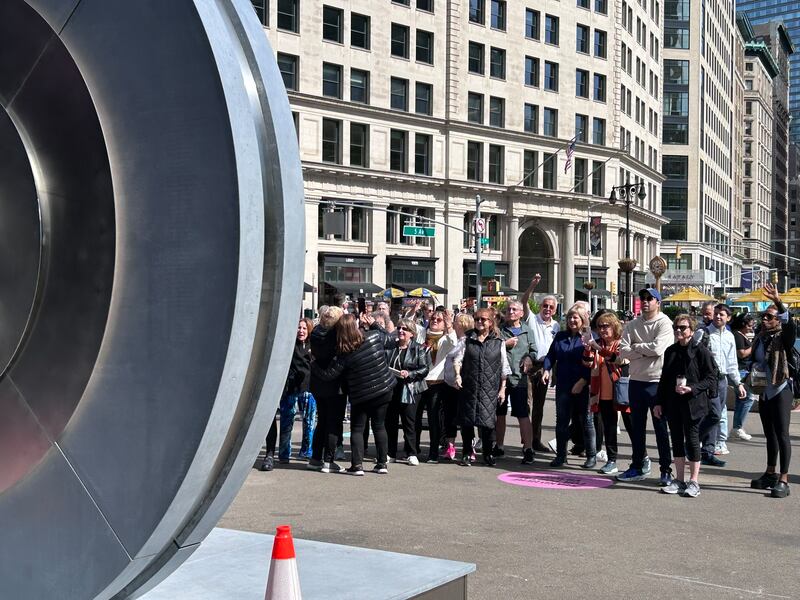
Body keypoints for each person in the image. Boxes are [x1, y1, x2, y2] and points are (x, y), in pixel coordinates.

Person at [312, 314, 396, 475]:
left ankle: (357, 466)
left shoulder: (344, 352)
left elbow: (329, 374)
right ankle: (382, 464)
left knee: (357, 429)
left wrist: (314, 364)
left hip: (361, 394)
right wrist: (375, 325)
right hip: (384, 389)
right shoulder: (374, 336)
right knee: (379, 426)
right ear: (356, 325)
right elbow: (392, 340)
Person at [654, 315, 718, 497]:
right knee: (676, 440)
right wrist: (658, 402)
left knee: (692, 440)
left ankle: (694, 481)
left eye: (682, 328)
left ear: (691, 330)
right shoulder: (671, 351)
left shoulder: (700, 350)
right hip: (673, 402)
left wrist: (692, 388)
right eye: (676, 327)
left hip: (694, 403)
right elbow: (664, 379)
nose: (678, 330)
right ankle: (679, 480)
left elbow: (711, 377)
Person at [616, 288, 674, 485]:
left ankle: (666, 470)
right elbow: (623, 351)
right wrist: (643, 349)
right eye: (643, 298)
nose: (646, 301)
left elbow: (658, 349)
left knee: (660, 428)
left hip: (657, 382)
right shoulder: (633, 324)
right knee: (636, 428)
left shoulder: (664, 323)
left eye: (650, 298)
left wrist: (637, 347)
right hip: (636, 381)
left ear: (658, 302)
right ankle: (637, 465)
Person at [748, 284, 796, 498]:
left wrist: (778, 301)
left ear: (778, 320)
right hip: (764, 391)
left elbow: (790, 324)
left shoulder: (784, 337)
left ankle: (784, 480)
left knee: (782, 434)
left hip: (781, 390)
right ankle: (770, 473)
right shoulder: (760, 337)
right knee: (770, 434)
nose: (765, 320)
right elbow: (754, 360)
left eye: (769, 317)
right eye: (763, 316)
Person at [452, 308, 510, 466]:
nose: (479, 322)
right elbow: (457, 359)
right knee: (467, 422)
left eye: (483, 319)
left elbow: (504, 367)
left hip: (489, 388)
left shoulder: (498, 342)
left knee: (488, 423)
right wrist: (457, 375)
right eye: (477, 319)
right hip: (469, 386)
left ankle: (488, 454)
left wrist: (503, 388)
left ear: (490, 322)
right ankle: (466, 453)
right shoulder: (467, 339)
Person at [541, 306, 595, 469]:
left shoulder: (589, 337)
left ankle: (591, 456)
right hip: (564, 385)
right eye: (570, 317)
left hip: (583, 386)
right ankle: (561, 456)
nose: (572, 320)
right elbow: (551, 355)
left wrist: (583, 381)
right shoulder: (561, 336)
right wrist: (546, 369)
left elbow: (593, 362)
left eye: (575, 317)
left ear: (583, 320)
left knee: (586, 421)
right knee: (562, 421)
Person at [584, 312, 630, 475]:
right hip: (602, 392)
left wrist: (598, 349)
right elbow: (587, 363)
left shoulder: (621, 343)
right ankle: (612, 460)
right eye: (600, 326)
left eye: (606, 326)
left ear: (614, 326)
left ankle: (641, 459)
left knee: (632, 427)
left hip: (622, 392)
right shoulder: (597, 343)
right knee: (609, 428)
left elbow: (619, 359)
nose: (602, 329)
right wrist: (587, 349)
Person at [699, 304, 746, 466]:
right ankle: (693, 442)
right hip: (706, 380)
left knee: (715, 416)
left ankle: (707, 452)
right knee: (714, 415)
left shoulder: (729, 336)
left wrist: (738, 383)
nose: (718, 316)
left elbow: (732, 362)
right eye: (716, 314)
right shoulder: (703, 333)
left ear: (729, 318)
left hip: (722, 381)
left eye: (722, 314)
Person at [495, 301, 538, 463]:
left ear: (521, 313)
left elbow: (534, 350)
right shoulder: (499, 329)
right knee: (499, 413)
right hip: (501, 378)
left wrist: (529, 357)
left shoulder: (527, 331)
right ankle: (499, 446)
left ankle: (528, 448)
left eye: (514, 309)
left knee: (522, 414)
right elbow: (491, 347)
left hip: (519, 379)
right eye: (508, 309)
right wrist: (504, 344)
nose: (510, 312)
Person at [521, 275, 560, 453]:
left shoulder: (556, 326)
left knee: (539, 407)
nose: (547, 309)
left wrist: (552, 370)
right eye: (545, 305)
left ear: (555, 310)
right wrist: (532, 286)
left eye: (551, 307)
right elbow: (524, 301)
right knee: (527, 405)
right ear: (541, 306)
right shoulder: (532, 318)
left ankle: (535, 440)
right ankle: (527, 440)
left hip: (544, 367)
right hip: (529, 365)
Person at [384, 319, 431, 465]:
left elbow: (425, 369)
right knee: (390, 421)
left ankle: (411, 453)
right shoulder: (391, 347)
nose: (400, 331)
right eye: (399, 328)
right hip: (393, 388)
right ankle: (390, 452)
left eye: (404, 329)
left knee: (409, 422)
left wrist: (409, 374)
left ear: (412, 333)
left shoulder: (418, 348)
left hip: (411, 389)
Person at [417, 309, 458, 462]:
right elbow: (409, 325)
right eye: (433, 318)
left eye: (439, 319)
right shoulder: (422, 334)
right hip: (419, 381)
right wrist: (412, 310)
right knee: (415, 417)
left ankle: (433, 453)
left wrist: (449, 325)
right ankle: (412, 450)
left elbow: (455, 343)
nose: (435, 320)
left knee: (433, 419)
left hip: (437, 383)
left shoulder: (445, 338)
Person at [308, 306, 346, 473]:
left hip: (318, 384)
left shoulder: (315, 333)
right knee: (333, 423)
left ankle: (315, 458)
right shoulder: (336, 336)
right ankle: (328, 461)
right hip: (335, 385)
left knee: (322, 421)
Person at [277, 318, 317, 464]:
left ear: (309, 330)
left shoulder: (313, 346)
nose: (301, 331)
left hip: (309, 389)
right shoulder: (290, 345)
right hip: (290, 388)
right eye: (299, 328)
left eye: (304, 328)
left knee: (309, 422)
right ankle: (284, 454)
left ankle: (306, 451)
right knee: (286, 422)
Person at [443, 313, 475, 458]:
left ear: (462, 324)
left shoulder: (468, 342)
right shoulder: (456, 340)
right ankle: (450, 446)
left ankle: (469, 447)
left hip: (463, 384)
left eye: (456, 321)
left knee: (465, 418)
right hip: (449, 384)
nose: (454, 324)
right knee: (449, 416)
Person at [731, 312, 757, 441]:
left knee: (742, 399)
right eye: (750, 325)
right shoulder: (737, 335)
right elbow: (741, 353)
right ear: (743, 324)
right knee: (748, 398)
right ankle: (737, 427)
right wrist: (754, 346)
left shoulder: (740, 335)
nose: (751, 328)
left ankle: (737, 427)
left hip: (744, 370)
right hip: (741, 371)